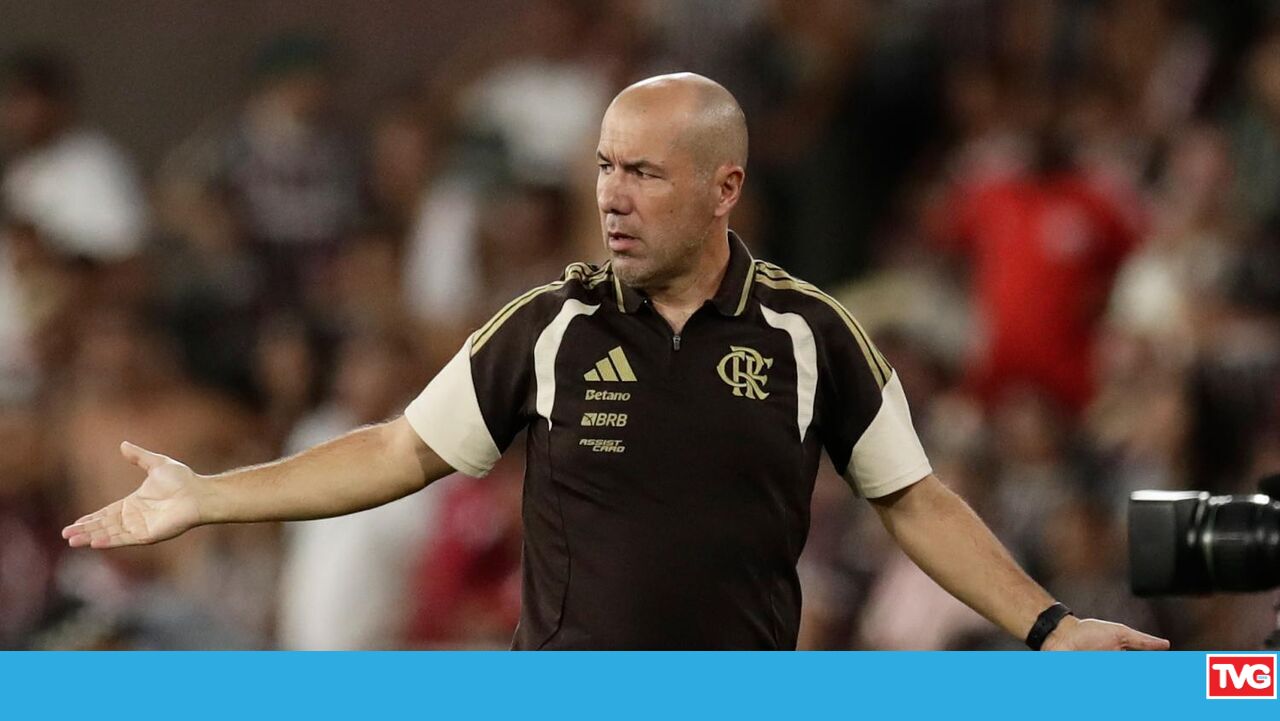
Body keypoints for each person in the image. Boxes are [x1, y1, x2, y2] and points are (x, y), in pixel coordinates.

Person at [63, 73, 1169, 652]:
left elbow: (913, 498)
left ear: (724, 189)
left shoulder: (811, 334)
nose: (609, 196)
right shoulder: (549, 326)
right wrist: (209, 496)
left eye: (643, 173)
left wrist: (1047, 625)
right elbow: (398, 450)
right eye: (603, 167)